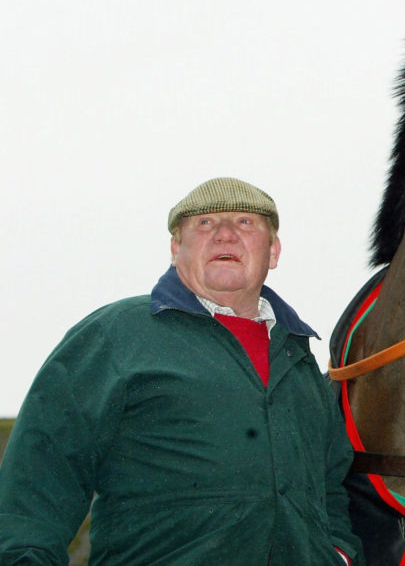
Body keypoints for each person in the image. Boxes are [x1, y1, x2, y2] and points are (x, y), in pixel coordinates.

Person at [0, 177, 365, 565]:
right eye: (204, 224)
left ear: (273, 251)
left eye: (245, 223)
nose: (225, 235)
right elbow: (41, 472)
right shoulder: (117, 335)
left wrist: (339, 554)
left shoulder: (299, 358)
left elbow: (331, 484)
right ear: (176, 249)